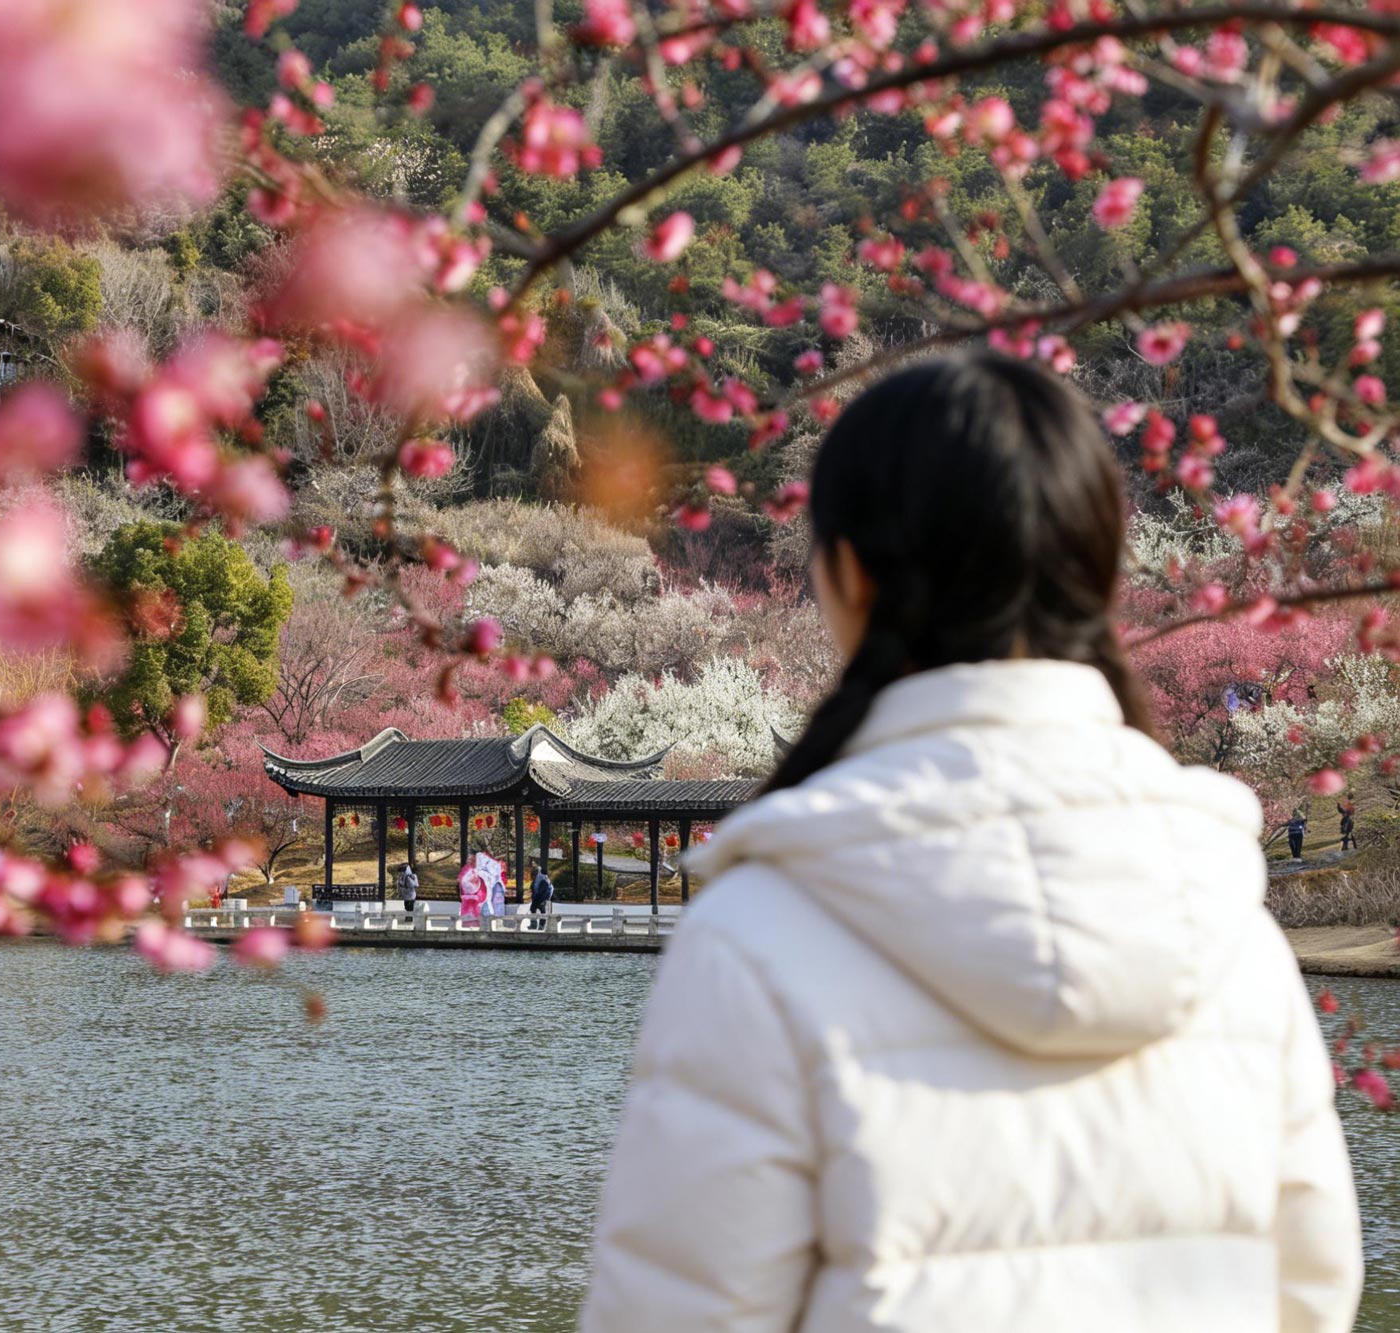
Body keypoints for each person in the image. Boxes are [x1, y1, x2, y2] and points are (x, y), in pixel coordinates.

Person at [582, 354, 1360, 1333]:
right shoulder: (1228, 923)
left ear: (847, 573)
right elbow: (1312, 1290)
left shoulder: (755, 936)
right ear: (1096, 575)